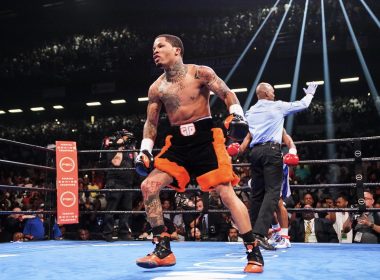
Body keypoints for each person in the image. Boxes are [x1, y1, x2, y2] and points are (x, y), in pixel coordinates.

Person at [134, 34, 263, 273]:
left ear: (177, 50)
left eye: (160, 46)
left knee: (225, 193)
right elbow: (151, 124)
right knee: (148, 186)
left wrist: (237, 114)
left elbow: (226, 93)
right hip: (178, 144)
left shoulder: (200, 73)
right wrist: (145, 150)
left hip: (205, 139)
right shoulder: (156, 87)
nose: (155, 50)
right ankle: (163, 248)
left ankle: (252, 249)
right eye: (153, 47)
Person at [243, 81, 318, 250]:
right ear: (267, 94)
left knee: (257, 194)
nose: (275, 94)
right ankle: (259, 234)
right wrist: (310, 93)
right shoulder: (277, 106)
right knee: (272, 193)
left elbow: (245, 133)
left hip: (254, 153)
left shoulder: (250, 111)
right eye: (273, 92)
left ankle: (251, 236)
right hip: (271, 151)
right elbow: (303, 104)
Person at [103, 130, 136, 242]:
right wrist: (120, 147)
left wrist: (134, 149)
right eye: (127, 138)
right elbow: (116, 163)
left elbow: (136, 162)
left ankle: (124, 233)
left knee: (126, 210)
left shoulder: (130, 150)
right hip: (115, 182)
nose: (129, 140)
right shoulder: (113, 148)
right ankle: (107, 233)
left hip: (128, 184)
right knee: (111, 209)